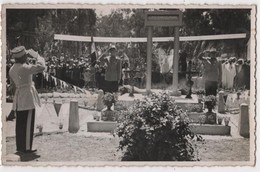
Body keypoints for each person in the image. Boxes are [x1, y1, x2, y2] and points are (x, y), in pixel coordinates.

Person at [9, 46, 46, 154]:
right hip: (27, 98)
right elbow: (42, 67)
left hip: (19, 97)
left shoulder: (12, 69)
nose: (27, 57)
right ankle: (27, 147)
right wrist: (37, 56)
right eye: (25, 55)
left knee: (20, 124)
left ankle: (20, 146)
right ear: (22, 57)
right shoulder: (24, 68)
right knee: (28, 123)